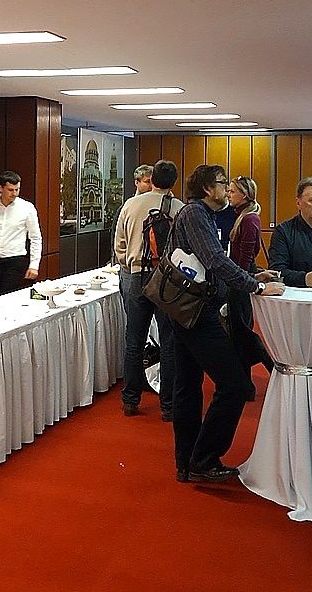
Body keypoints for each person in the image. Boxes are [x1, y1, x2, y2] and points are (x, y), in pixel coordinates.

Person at [166, 164, 284, 483]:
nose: (226, 189)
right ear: (208, 188)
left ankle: (188, 462)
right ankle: (203, 458)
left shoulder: (202, 215)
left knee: (188, 386)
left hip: (188, 309)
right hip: (194, 312)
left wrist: (251, 275)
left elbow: (215, 261)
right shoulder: (195, 214)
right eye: (222, 183)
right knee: (235, 385)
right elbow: (215, 260)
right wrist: (256, 286)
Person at [114, 160, 183, 420]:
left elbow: (119, 244)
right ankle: (168, 405)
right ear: (174, 182)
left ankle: (130, 399)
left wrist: (129, 263)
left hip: (136, 276)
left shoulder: (131, 205)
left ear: (152, 179)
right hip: (167, 280)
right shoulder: (179, 208)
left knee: (134, 340)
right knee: (168, 342)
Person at [225, 175, 274, 398]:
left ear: (244, 195)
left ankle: (272, 369)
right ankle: (245, 384)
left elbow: (245, 259)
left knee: (243, 334)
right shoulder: (242, 217)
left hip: (240, 283)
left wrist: (243, 280)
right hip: (240, 279)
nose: (228, 194)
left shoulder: (249, 219)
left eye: (232, 191)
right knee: (239, 336)